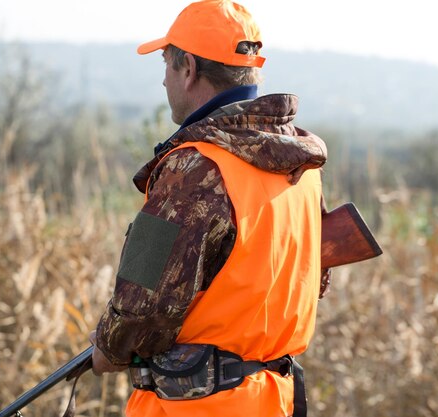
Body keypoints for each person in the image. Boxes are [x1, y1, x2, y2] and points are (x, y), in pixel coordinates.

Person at [89, 1, 329, 416]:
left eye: (166, 64)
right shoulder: (301, 165)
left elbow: (142, 307)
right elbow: (311, 279)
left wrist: (109, 346)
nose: (163, 82)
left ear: (189, 69)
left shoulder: (193, 168)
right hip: (273, 401)